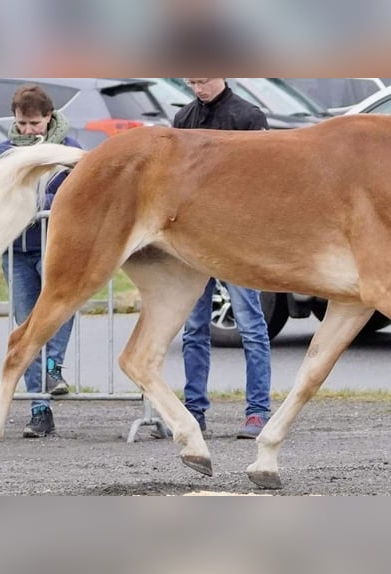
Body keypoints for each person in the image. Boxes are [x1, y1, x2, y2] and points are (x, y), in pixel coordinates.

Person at [152, 78, 272, 439]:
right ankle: (194, 410)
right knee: (194, 330)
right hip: (195, 242)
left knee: (251, 326)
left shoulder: (248, 117)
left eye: (203, 79)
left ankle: (258, 410)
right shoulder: (184, 117)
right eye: (191, 81)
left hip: (237, 240)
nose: (197, 87)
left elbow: (263, 179)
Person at [0, 84, 81, 438]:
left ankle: (53, 365)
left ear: (49, 117)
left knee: (60, 309)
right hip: (16, 248)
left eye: (34, 123)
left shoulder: (70, 152)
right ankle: (39, 409)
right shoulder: (3, 151)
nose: (28, 130)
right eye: (22, 123)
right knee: (27, 324)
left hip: (57, 246)